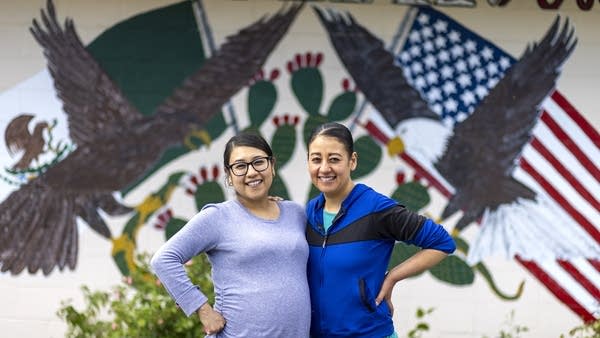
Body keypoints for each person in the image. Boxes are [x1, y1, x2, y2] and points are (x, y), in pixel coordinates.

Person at [151, 132, 310, 337]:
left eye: (258, 162)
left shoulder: (296, 213)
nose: (251, 172)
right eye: (240, 166)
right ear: (228, 175)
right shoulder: (218, 217)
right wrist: (202, 308)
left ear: (272, 165)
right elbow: (163, 260)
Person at [305, 122, 456, 338]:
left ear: (352, 161)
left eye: (334, 159)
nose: (324, 168)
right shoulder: (310, 211)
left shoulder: (376, 208)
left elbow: (442, 242)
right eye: (316, 159)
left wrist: (393, 276)